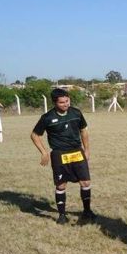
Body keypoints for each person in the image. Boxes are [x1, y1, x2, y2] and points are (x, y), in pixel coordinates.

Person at [30, 89, 95, 225]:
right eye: (62, 102)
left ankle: (87, 211)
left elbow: (83, 131)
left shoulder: (76, 113)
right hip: (59, 154)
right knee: (61, 185)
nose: (65, 104)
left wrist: (87, 150)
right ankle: (61, 215)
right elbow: (35, 135)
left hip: (77, 152)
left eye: (67, 101)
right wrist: (44, 152)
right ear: (54, 103)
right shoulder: (47, 118)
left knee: (86, 183)